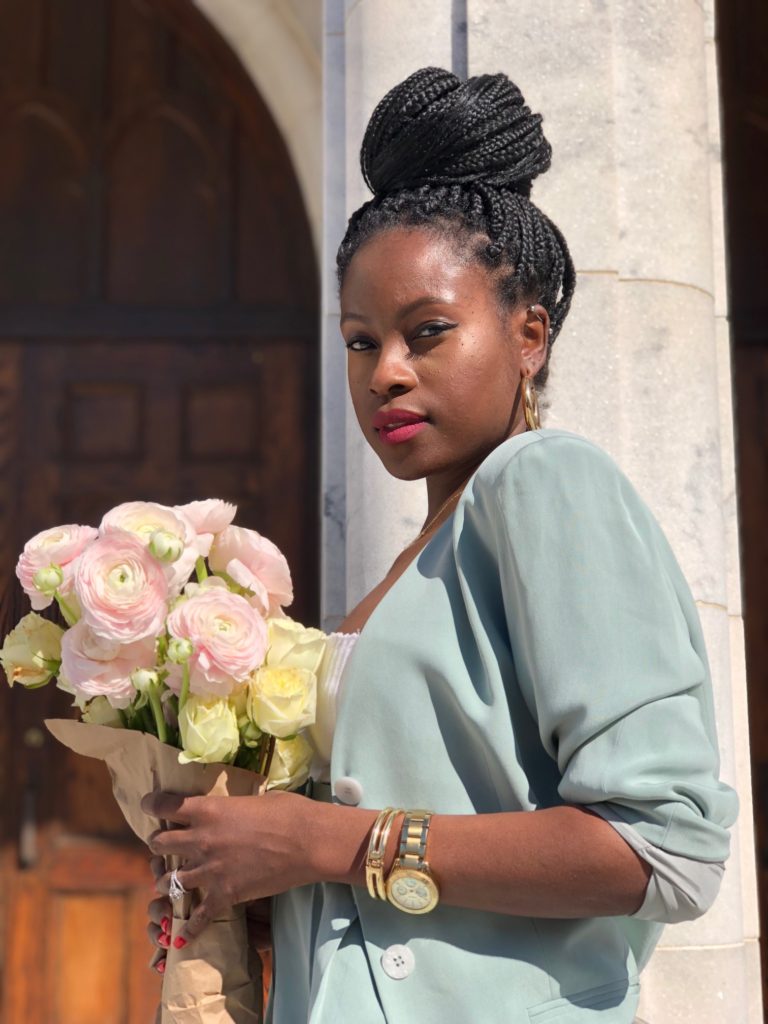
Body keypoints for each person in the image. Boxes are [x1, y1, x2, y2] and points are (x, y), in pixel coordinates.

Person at [143, 67, 738, 1023]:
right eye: (357, 340)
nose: (385, 373)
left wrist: (325, 845)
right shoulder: (413, 559)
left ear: (529, 333)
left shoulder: (545, 483)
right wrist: (253, 895)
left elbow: (663, 850)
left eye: (428, 332)